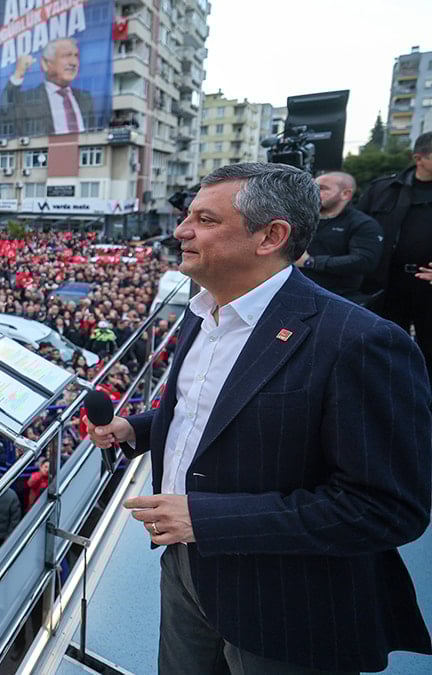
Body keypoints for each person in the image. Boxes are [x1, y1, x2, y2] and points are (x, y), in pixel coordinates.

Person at [88, 162, 432, 674]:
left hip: (286, 605)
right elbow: (212, 407)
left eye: (205, 220)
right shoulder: (204, 310)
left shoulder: (359, 341)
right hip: (185, 569)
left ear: (270, 236)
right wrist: (137, 429)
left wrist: (205, 519)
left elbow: (386, 508)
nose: (181, 231)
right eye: (188, 216)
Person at [358, 130, 432, 376]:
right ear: (418, 158)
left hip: (428, 286)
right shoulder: (383, 189)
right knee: (385, 350)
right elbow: (359, 229)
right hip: (387, 283)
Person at [296, 171, 383, 301]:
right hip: (297, 290)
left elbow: (364, 260)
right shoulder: (302, 218)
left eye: (322, 188)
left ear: (345, 194)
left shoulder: (362, 224)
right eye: (312, 188)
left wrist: (311, 262)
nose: (314, 193)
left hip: (335, 298)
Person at [0, 38, 94, 137]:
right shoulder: (29, 99)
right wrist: (18, 74)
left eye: (76, 56)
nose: (73, 62)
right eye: (66, 55)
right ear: (46, 64)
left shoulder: (85, 98)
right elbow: (4, 115)